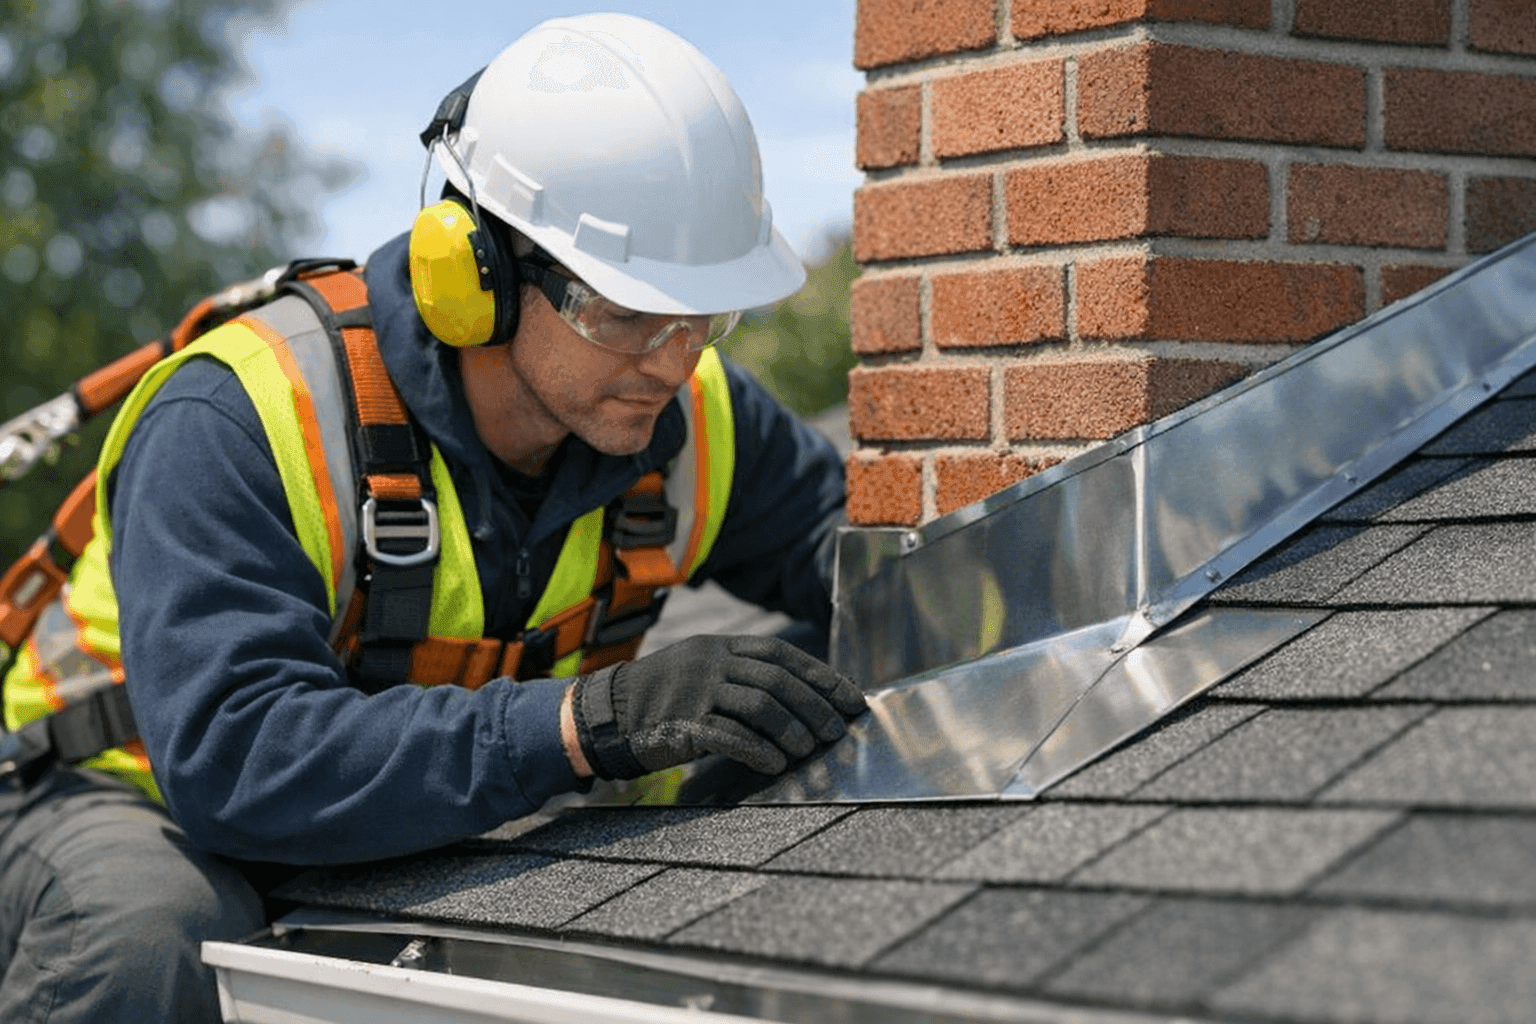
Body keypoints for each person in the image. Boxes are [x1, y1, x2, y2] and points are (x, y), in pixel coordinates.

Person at [0, 13, 865, 1022]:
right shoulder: (242, 416)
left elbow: (843, 557)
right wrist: (586, 722)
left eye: (701, 318)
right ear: (476, 277)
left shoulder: (691, 412)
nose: (674, 362)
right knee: (151, 935)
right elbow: (235, 757)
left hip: (410, 787)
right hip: (121, 792)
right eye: (626, 311)